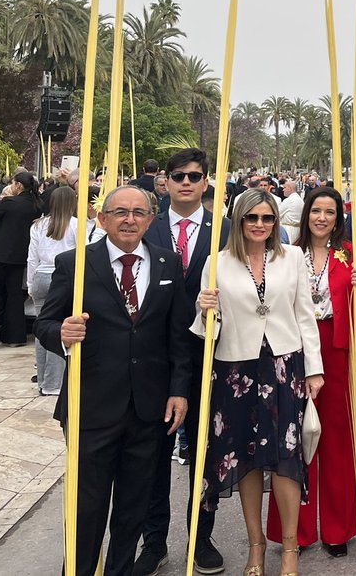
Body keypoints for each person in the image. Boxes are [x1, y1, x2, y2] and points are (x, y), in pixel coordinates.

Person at [35, 185, 191, 576]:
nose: (129, 219)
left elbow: (177, 337)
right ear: (102, 219)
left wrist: (178, 391)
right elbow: (45, 323)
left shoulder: (168, 264)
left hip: (148, 407)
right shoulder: (75, 264)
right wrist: (62, 334)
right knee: (87, 507)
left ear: (150, 220)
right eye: (120, 212)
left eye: (139, 213)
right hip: (91, 405)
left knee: (132, 507)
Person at [194, 188, 323, 576]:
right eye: (252, 218)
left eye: (267, 218)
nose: (260, 225)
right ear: (239, 220)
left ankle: (289, 549)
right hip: (235, 369)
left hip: (284, 368)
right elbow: (205, 330)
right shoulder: (217, 262)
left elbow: (305, 316)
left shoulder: (292, 258)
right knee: (245, 460)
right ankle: (256, 546)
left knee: (286, 460)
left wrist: (314, 368)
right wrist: (204, 310)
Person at [136, 149, 231, 576]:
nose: (187, 182)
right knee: (154, 454)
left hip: (209, 357)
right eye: (178, 176)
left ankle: (200, 535)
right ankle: (153, 541)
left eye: (195, 176)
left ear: (206, 181)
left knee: (204, 453)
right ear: (166, 182)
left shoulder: (226, 230)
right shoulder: (143, 226)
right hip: (155, 360)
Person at [265, 186, 356, 556]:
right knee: (293, 439)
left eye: (330, 212)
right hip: (291, 347)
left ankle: (338, 528)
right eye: (316, 211)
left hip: (337, 349)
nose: (322, 218)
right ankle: (296, 529)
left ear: (338, 218)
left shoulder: (351, 255)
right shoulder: (286, 253)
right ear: (305, 214)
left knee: (337, 440)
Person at [0, 171, 40, 348]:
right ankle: (15, 337)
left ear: (18, 185)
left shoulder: (9, 203)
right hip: (19, 256)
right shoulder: (37, 205)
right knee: (14, 295)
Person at [26, 185, 78, 396]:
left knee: (42, 330)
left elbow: (32, 257)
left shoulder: (38, 225)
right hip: (64, 278)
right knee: (60, 329)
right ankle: (53, 383)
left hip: (40, 276)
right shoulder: (77, 225)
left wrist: (30, 284)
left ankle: (43, 380)